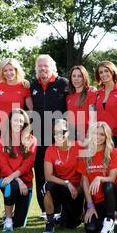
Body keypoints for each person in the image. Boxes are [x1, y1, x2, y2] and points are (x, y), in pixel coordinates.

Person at [30, 54, 68, 218]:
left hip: (59, 137)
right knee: (40, 172)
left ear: (53, 68)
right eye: (40, 67)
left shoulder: (63, 84)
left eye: (46, 66)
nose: (43, 69)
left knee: (60, 171)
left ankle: (61, 208)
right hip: (38, 137)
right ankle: (45, 209)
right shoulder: (32, 86)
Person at [77, 121, 117, 233]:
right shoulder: (85, 155)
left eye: (102, 134)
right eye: (95, 133)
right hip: (96, 200)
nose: (98, 137)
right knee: (91, 229)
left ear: (107, 136)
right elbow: (85, 183)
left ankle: (109, 222)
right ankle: (102, 220)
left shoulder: (114, 153)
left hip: (113, 196)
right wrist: (90, 205)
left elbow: (112, 179)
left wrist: (99, 178)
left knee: (108, 185)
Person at [0, 108, 37, 232]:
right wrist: (18, 180)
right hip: (6, 179)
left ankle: (14, 219)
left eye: (21, 121)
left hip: (26, 183)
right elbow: (3, 165)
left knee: (19, 223)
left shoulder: (32, 140)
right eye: (15, 120)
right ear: (9, 121)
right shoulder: (0, 140)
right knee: (11, 185)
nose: (18, 124)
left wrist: (19, 180)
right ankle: (8, 220)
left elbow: (28, 164)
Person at [42, 119, 84, 233]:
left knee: (71, 225)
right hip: (62, 186)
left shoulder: (79, 147)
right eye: (55, 133)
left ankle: (64, 216)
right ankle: (50, 223)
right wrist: (67, 183)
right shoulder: (50, 149)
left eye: (62, 132)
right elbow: (48, 176)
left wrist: (78, 190)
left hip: (76, 190)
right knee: (48, 187)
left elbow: (85, 175)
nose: (58, 135)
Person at [94, 61, 117, 146]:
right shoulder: (97, 93)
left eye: (106, 71)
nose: (103, 74)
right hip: (99, 136)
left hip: (115, 136)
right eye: (100, 72)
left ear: (112, 72)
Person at [0, 58, 33, 128]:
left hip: (18, 126)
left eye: (11, 70)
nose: (8, 73)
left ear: (16, 70)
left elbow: (31, 109)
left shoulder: (24, 86)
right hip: (2, 126)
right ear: (2, 72)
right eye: (5, 70)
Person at [66, 65, 96, 140]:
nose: (76, 79)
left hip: (85, 135)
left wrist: (89, 135)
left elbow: (93, 118)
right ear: (70, 78)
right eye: (74, 76)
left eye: (79, 76)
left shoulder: (91, 93)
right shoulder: (68, 96)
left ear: (84, 78)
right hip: (71, 135)